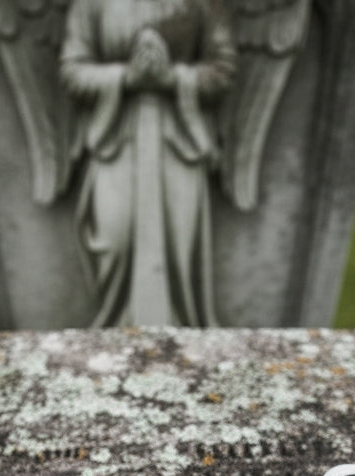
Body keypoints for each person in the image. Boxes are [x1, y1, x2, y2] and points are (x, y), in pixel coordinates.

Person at [60, 0, 237, 326]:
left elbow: (222, 68)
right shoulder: (90, 5)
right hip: (117, 140)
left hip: (178, 141)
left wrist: (172, 78)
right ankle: (118, 332)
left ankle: (179, 334)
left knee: (178, 250)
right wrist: (126, 77)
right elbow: (73, 70)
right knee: (114, 239)